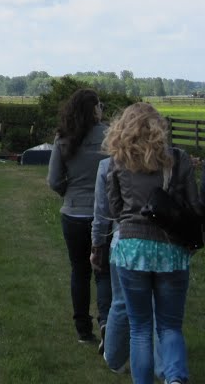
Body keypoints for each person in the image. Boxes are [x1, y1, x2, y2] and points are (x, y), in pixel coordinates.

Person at [105, 102, 200, 384]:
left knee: (140, 328)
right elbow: (194, 206)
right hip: (171, 249)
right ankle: (175, 379)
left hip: (132, 249)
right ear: (159, 126)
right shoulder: (179, 159)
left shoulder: (118, 160)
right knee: (170, 325)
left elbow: (114, 207)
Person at [47, 88, 110, 343]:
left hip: (73, 212)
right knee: (103, 272)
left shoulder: (63, 138)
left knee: (79, 271)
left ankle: (83, 330)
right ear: (94, 109)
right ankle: (106, 321)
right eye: (100, 105)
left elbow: (53, 180)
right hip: (104, 215)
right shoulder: (109, 136)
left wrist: (68, 192)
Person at [91, 155, 163, 377]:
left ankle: (114, 359)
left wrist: (96, 245)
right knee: (157, 308)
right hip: (161, 239)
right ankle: (163, 367)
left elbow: (104, 211)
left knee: (121, 302)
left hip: (124, 240)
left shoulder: (109, 164)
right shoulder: (166, 163)